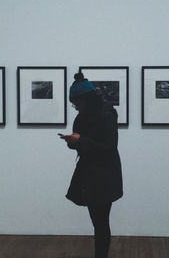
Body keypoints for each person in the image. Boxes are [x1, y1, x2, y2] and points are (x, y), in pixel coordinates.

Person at [60, 72, 123, 258]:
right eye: (74, 104)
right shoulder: (82, 116)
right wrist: (73, 143)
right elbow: (84, 144)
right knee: (98, 222)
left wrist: (80, 141)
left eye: (77, 103)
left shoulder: (107, 114)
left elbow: (109, 148)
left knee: (101, 223)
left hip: (105, 175)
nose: (76, 107)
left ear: (87, 99)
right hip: (89, 173)